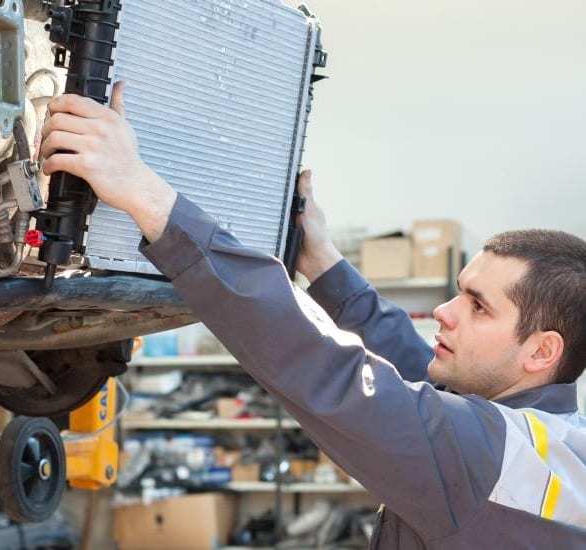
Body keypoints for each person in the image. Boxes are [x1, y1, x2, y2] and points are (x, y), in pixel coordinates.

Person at [39, 82, 586, 548]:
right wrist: (323, 263)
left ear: (542, 351)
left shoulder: (490, 456)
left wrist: (143, 193)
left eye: (478, 306)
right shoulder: (546, 438)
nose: (444, 311)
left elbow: (327, 370)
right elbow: (416, 367)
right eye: (459, 291)